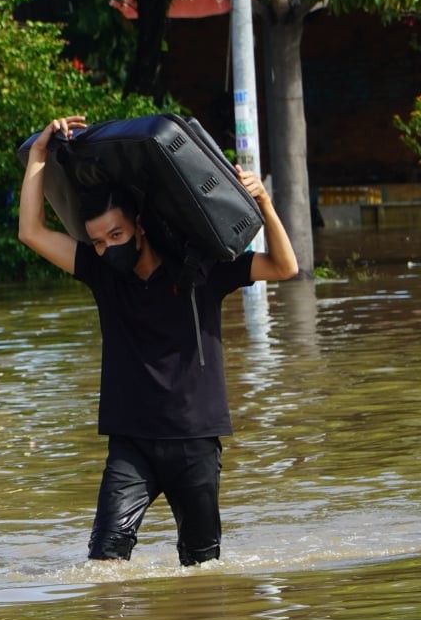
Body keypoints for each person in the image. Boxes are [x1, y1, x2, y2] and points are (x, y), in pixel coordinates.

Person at [17, 115, 299, 566]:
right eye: (99, 241)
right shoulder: (102, 274)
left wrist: (264, 202)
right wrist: (37, 155)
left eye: (116, 235)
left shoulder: (200, 270)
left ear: (140, 227)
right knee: (105, 561)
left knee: (202, 565)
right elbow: (31, 232)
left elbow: (284, 268)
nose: (109, 248)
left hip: (195, 438)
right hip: (131, 441)